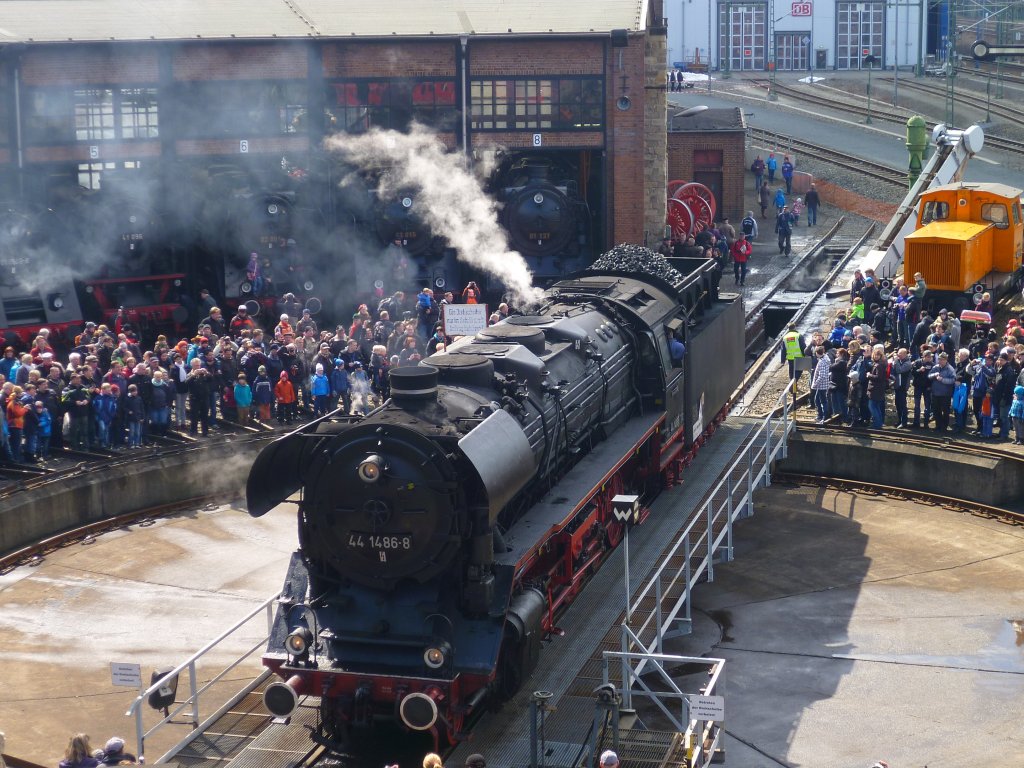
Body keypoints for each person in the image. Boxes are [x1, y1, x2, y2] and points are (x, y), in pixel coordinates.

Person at [929, 351, 956, 432]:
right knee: (936, 411)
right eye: (939, 359)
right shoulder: (935, 367)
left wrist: (943, 380)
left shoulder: (950, 369)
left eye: (941, 359)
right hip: (935, 393)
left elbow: (953, 380)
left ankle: (944, 427)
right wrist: (934, 375)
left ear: (946, 360)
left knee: (945, 411)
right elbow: (929, 376)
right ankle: (938, 426)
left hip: (945, 394)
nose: (940, 361)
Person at [866, 344, 888, 428]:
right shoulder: (878, 364)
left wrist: (869, 375)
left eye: (878, 355)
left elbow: (879, 377)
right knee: (876, 407)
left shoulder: (879, 365)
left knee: (872, 406)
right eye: (875, 355)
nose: (876, 356)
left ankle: (877, 424)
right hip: (877, 389)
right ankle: (878, 423)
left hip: (876, 389)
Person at [781, 323, 806, 390]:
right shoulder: (798, 336)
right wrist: (805, 355)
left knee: (792, 372)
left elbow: (783, 350)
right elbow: (803, 347)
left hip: (790, 358)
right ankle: (792, 385)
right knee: (799, 371)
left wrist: (782, 360)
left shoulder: (785, 337)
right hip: (799, 356)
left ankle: (794, 387)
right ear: (795, 327)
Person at [810, 346, 831, 423]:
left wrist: (815, 384)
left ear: (817, 353)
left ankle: (824, 416)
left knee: (821, 401)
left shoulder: (822, 362)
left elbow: (821, 376)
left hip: (821, 385)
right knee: (818, 400)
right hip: (823, 384)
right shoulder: (825, 357)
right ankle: (821, 415)